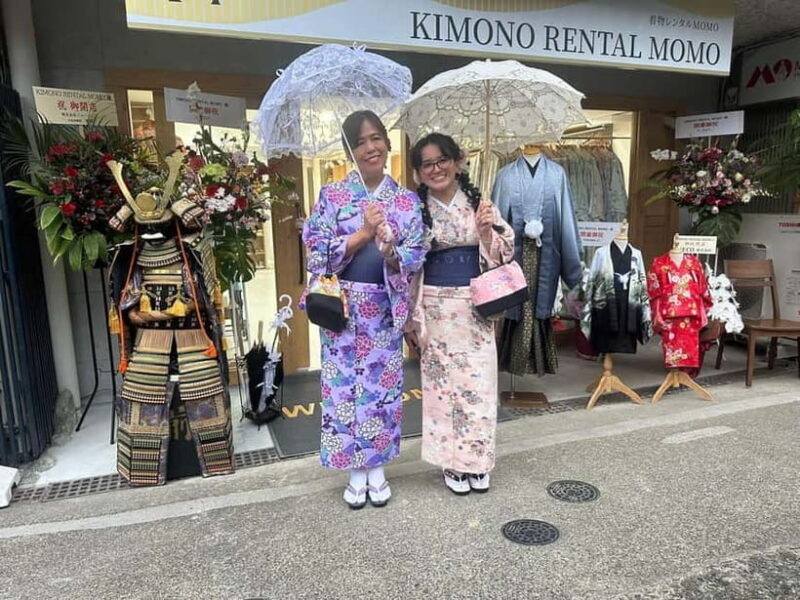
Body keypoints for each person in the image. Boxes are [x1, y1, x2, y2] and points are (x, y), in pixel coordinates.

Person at [302, 110, 427, 509]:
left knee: (382, 391)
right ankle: (355, 469)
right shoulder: (332, 196)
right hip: (342, 308)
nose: (370, 147)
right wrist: (361, 234)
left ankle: (377, 468)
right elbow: (315, 253)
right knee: (343, 391)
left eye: (376, 138)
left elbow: (416, 253)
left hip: (384, 308)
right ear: (349, 151)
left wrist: (391, 249)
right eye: (359, 141)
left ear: (387, 143)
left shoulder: (406, 201)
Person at [407, 133, 514, 495]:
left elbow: (505, 250)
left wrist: (486, 232)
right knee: (442, 387)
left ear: (456, 162)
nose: (436, 169)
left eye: (442, 160)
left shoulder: (479, 202)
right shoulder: (414, 208)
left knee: (478, 383)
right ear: (418, 173)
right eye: (427, 164)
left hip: (475, 304)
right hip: (435, 304)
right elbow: (407, 264)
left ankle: (478, 460)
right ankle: (452, 462)